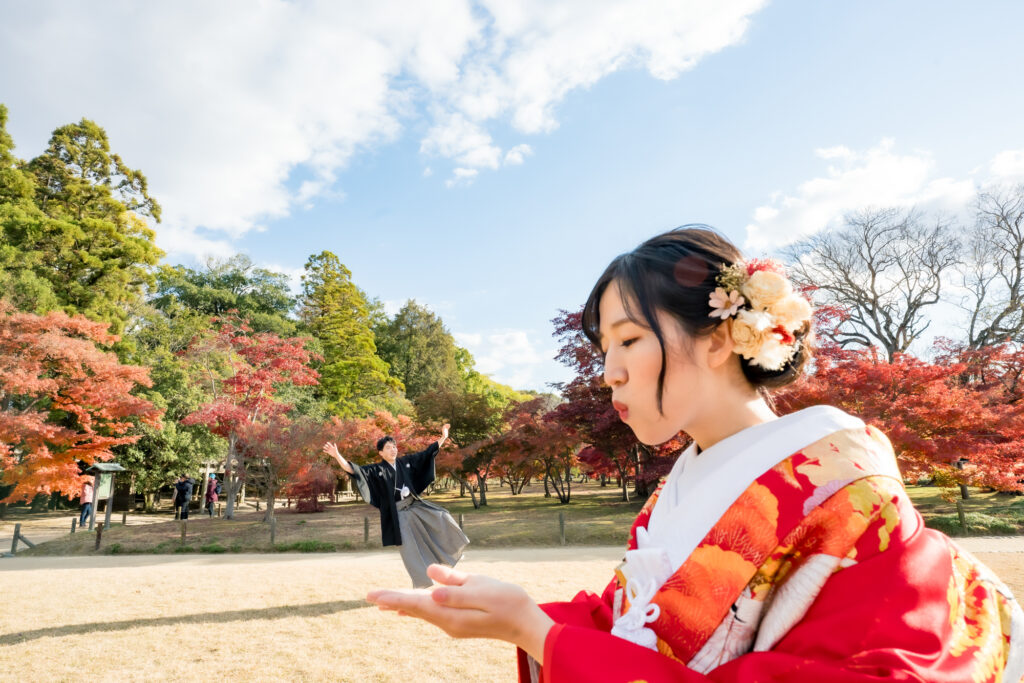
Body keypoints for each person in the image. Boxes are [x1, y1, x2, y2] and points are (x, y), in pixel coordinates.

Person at [365, 226, 1024, 682]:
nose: (609, 372)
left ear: (719, 338)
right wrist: (521, 616)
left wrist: (541, 636)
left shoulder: (847, 482)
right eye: (604, 351)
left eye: (628, 340)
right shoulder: (677, 489)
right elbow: (634, 619)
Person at [323, 424, 469, 588]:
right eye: (388, 447)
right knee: (410, 550)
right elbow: (353, 469)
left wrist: (443, 436)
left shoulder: (405, 462)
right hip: (397, 515)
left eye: (394, 447)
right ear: (381, 453)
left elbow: (427, 454)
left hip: (414, 507)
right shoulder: (376, 469)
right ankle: (421, 584)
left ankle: (453, 550)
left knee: (441, 516)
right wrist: (337, 455)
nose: (393, 450)